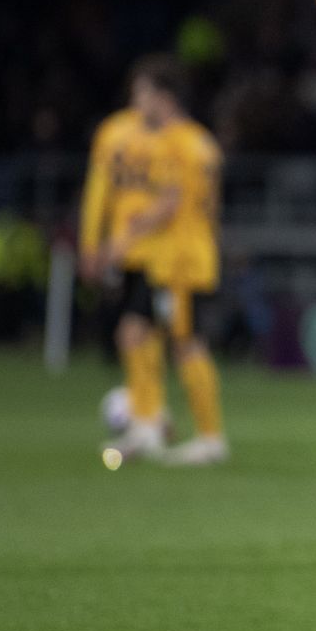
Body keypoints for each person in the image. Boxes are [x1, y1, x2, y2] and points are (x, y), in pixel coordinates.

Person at [86, 57, 227, 465]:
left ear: (162, 98)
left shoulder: (172, 142)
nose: (137, 104)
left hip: (176, 262)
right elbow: (211, 206)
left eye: (143, 94)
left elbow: (169, 201)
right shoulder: (202, 142)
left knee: (185, 344)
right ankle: (148, 426)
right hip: (194, 255)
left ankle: (208, 437)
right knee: (137, 333)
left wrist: (126, 234)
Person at [79, 81, 168, 459]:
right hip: (123, 256)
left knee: (137, 334)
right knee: (138, 337)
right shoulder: (114, 133)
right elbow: (98, 192)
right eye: (141, 93)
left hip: (164, 256)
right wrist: (91, 245)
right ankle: (150, 418)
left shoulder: (174, 139)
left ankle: (149, 421)